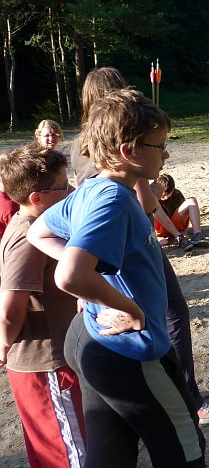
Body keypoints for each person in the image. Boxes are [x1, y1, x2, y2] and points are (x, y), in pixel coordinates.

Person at [27, 89, 206, 467]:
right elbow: (69, 274)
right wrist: (128, 307)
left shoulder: (94, 187)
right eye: (159, 145)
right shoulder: (113, 200)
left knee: (112, 453)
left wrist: (95, 283)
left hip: (89, 340)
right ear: (129, 151)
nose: (165, 154)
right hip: (130, 350)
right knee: (186, 446)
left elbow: (39, 232)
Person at [70, 66, 209, 426]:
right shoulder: (122, 152)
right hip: (132, 248)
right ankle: (187, 398)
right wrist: (170, 227)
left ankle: (150, 398)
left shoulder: (80, 144)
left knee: (123, 321)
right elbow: (144, 202)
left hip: (99, 250)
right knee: (171, 314)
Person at [0, 145, 86, 467]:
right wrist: (3, 344)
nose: (71, 191)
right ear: (37, 198)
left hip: (53, 359)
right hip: (45, 363)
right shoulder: (27, 238)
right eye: (63, 187)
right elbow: (10, 309)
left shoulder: (42, 224)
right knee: (68, 450)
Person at [152, 174, 209, 248]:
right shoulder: (152, 196)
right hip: (159, 229)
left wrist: (184, 230)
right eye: (163, 194)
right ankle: (176, 236)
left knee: (191, 201)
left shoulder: (176, 194)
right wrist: (155, 237)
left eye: (168, 194)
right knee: (153, 207)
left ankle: (197, 234)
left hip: (174, 226)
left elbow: (185, 215)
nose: (165, 197)